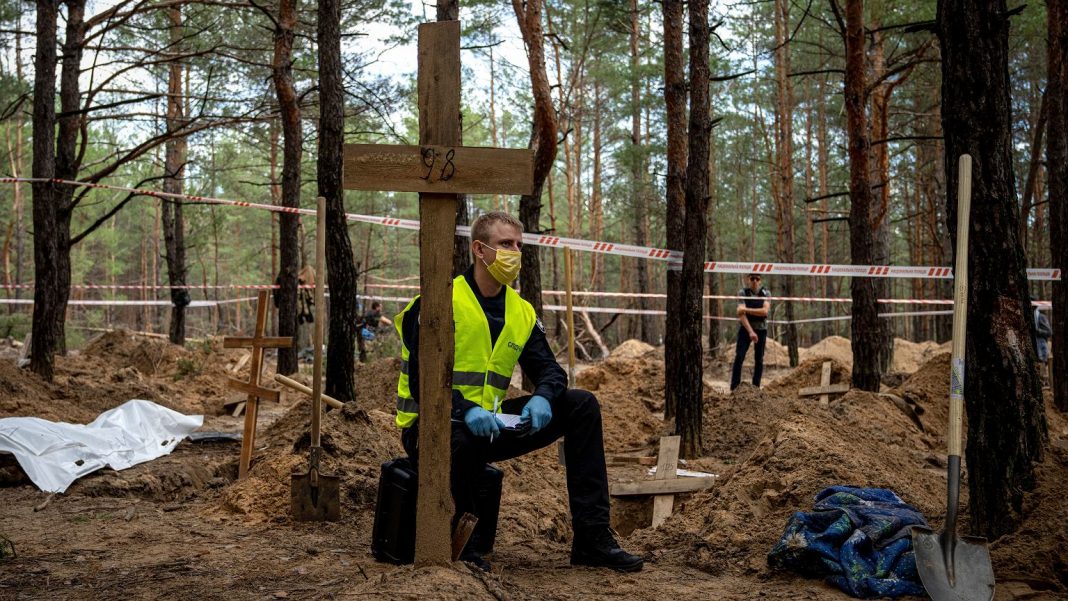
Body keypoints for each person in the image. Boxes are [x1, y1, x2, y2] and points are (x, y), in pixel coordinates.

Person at [393, 211, 643, 573]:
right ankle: (464, 545)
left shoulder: (520, 311)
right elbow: (422, 381)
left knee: (580, 405)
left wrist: (543, 395)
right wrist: (465, 411)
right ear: (480, 249)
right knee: (460, 439)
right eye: (505, 244)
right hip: (429, 430)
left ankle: (591, 537)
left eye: (518, 245)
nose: (514, 253)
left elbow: (550, 371)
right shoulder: (439, 301)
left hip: (489, 426)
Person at [730, 273, 771, 390]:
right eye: (752, 278)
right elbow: (740, 314)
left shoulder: (766, 293)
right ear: (748, 280)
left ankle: (756, 388)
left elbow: (764, 312)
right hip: (746, 329)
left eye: (757, 279)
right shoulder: (742, 293)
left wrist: (746, 309)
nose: (754, 281)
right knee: (739, 356)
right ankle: (734, 387)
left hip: (761, 329)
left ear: (760, 280)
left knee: (759, 359)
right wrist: (751, 332)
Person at [1035, 307, 1052, 384]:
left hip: (1042, 350)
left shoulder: (1041, 317)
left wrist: (1038, 331)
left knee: (1043, 365)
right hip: (1035, 352)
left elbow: (1049, 332)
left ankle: (1044, 381)